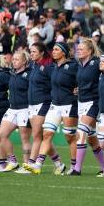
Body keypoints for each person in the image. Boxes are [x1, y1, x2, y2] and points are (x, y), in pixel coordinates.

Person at [26, 42, 78, 175]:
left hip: (69, 104)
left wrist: (80, 89)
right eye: (53, 49)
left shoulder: (73, 66)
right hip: (55, 105)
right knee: (47, 134)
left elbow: (83, 78)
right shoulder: (53, 67)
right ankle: (37, 165)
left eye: (56, 49)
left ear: (64, 53)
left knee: (69, 137)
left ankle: (74, 166)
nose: (53, 51)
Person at [69, 39, 104, 176]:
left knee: (81, 133)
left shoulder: (96, 63)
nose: (78, 51)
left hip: (93, 102)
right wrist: (79, 89)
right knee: (92, 139)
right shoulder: (80, 65)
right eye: (77, 49)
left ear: (89, 51)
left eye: (81, 49)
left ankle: (77, 169)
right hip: (82, 102)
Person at [20, 42, 59, 174]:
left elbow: (56, 83)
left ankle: (30, 165)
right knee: (41, 137)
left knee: (37, 136)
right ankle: (59, 163)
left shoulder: (48, 66)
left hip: (43, 103)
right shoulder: (33, 65)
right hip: (32, 105)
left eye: (34, 52)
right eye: (30, 52)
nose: (31, 54)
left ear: (42, 52)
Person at [0, 50, 32, 172]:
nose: (14, 61)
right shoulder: (11, 73)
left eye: (17, 59)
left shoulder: (30, 74)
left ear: (24, 61)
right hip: (12, 109)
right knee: (1, 134)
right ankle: (13, 161)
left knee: (24, 139)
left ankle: (27, 166)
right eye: (14, 59)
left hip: (25, 109)